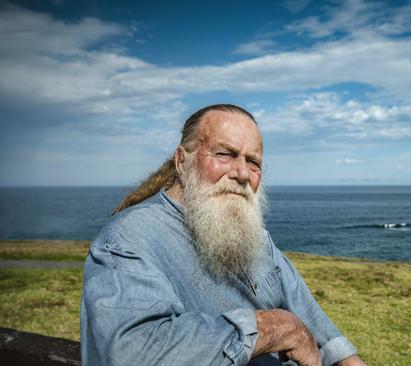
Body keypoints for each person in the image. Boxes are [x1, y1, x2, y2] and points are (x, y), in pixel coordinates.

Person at [80, 104, 367, 366]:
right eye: (224, 154)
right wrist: (273, 328)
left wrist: (348, 360)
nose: (242, 173)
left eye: (253, 162)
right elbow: (130, 353)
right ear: (182, 161)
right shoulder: (128, 238)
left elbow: (305, 308)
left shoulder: (253, 235)